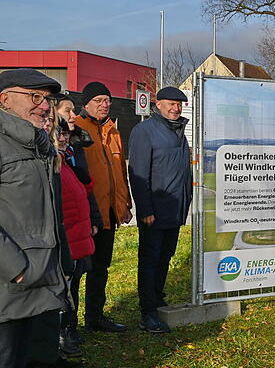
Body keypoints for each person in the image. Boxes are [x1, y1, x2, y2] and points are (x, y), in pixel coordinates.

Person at [0, 68, 65, 368]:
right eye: (35, 97)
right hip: (8, 285)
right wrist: (14, 266)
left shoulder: (38, 144)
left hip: (33, 286)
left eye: (47, 99)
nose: (44, 106)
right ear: (5, 99)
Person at [128, 87, 192, 333]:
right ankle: (148, 313)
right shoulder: (144, 131)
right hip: (154, 211)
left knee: (165, 256)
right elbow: (138, 174)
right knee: (150, 260)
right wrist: (145, 208)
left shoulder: (178, 131)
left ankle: (157, 297)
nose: (176, 108)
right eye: (171, 104)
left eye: (179, 104)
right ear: (158, 104)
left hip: (174, 209)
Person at [74, 81, 132, 332]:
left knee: (101, 268)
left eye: (107, 100)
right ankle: (69, 326)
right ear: (85, 104)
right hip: (86, 213)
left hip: (109, 212)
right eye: (98, 101)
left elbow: (120, 172)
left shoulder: (114, 131)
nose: (104, 105)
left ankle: (95, 317)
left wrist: (125, 204)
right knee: (77, 271)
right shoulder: (76, 129)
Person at [55, 94, 101, 344]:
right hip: (66, 236)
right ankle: (64, 335)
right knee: (64, 289)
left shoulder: (73, 149)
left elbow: (83, 189)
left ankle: (71, 330)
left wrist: (93, 217)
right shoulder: (52, 155)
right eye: (68, 111)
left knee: (74, 284)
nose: (74, 117)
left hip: (79, 234)